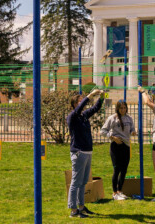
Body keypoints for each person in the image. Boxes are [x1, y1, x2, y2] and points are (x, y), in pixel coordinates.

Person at [67, 88, 105, 218]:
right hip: (78, 152)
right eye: (79, 101)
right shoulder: (72, 116)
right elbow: (80, 108)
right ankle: (73, 210)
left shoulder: (83, 116)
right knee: (75, 182)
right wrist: (90, 95)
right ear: (74, 105)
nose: (81, 103)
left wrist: (102, 97)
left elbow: (95, 108)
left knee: (83, 182)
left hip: (87, 152)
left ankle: (81, 207)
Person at [100, 100, 135, 200]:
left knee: (124, 170)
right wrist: (113, 138)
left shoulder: (129, 118)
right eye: (121, 108)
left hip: (126, 146)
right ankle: (114, 193)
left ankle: (120, 191)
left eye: (124, 108)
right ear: (117, 108)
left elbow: (132, 128)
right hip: (116, 146)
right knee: (117, 169)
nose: (123, 110)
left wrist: (133, 132)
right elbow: (103, 131)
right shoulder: (112, 118)